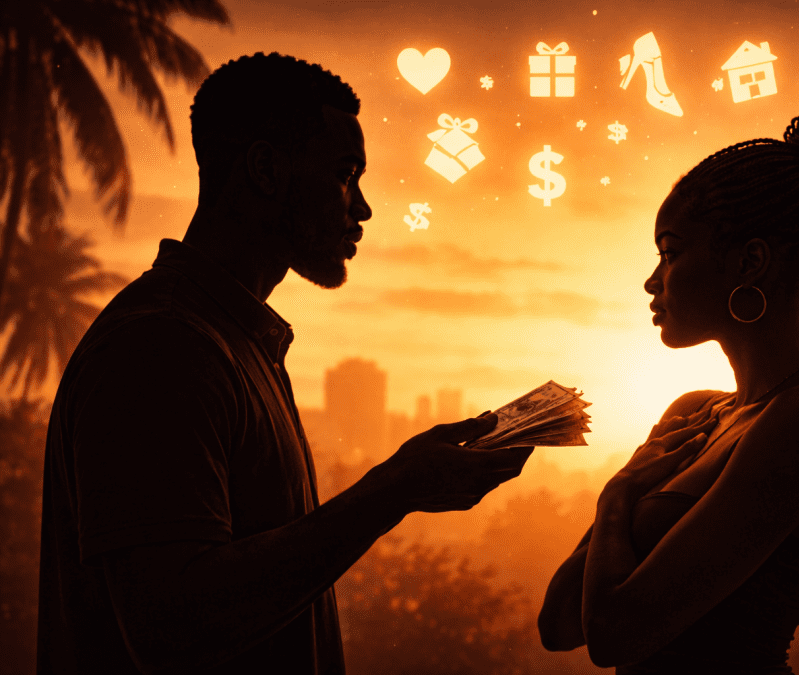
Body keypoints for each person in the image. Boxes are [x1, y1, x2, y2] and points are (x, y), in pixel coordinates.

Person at [36, 52, 532, 674]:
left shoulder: (233, 341)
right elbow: (168, 627)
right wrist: (393, 491)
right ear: (267, 169)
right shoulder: (163, 347)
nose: (363, 209)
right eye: (346, 174)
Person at [538, 100, 799, 673]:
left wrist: (617, 495)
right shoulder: (696, 412)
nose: (651, 278)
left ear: (750, 262)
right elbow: (561, 623)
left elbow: (613, 637)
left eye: (671, 250)